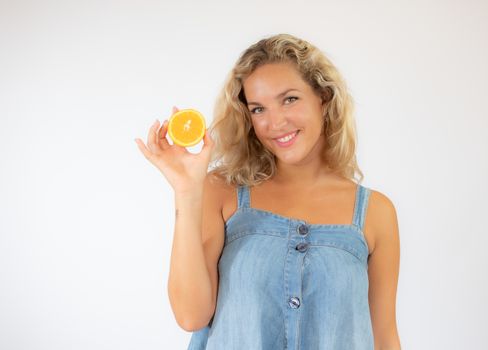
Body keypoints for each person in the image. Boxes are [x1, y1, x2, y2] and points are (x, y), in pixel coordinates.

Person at [135, 33, 401, 350]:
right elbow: (191, 316)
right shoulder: (222, 191)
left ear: (324, 99)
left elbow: (384, 338)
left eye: (289, 99)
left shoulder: (376, 213)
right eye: (258, 109)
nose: (275, 122)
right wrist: (186, 191)